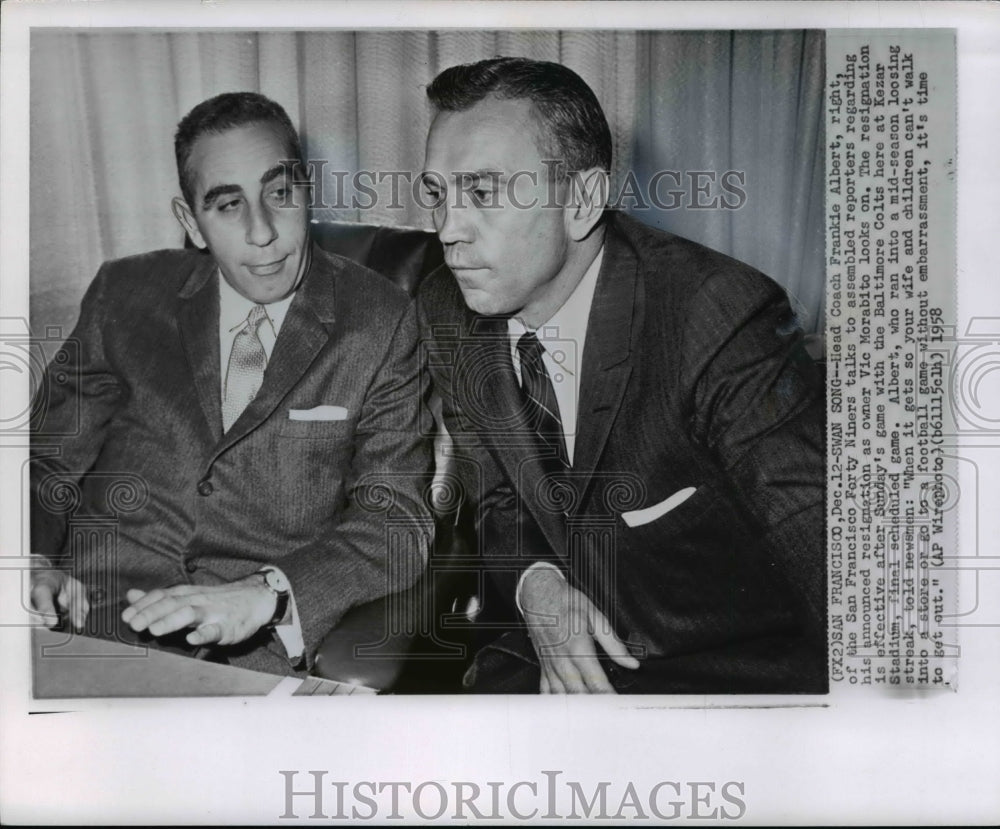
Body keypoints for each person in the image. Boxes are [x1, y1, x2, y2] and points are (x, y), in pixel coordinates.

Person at [416, 57, 826, 694]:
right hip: (550, 660)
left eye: (484, 192)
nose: (447, 230)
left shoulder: (714, 318)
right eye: (437, 194)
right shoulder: (448, 309)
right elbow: (498, 495)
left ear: (582, 201)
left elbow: (833, 565)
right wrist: (538, 587)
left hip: (726, 683)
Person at [29, 92, 433, 676]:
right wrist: (30, 561)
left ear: (307, 190)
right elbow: (42, 461)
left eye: (280, 193)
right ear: (192, 222)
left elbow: (396, 521)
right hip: (81, 632)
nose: (262, 232)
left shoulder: (382, 321)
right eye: (227, 205)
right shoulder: (124, 295)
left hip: (245, 660)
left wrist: (268, 593)